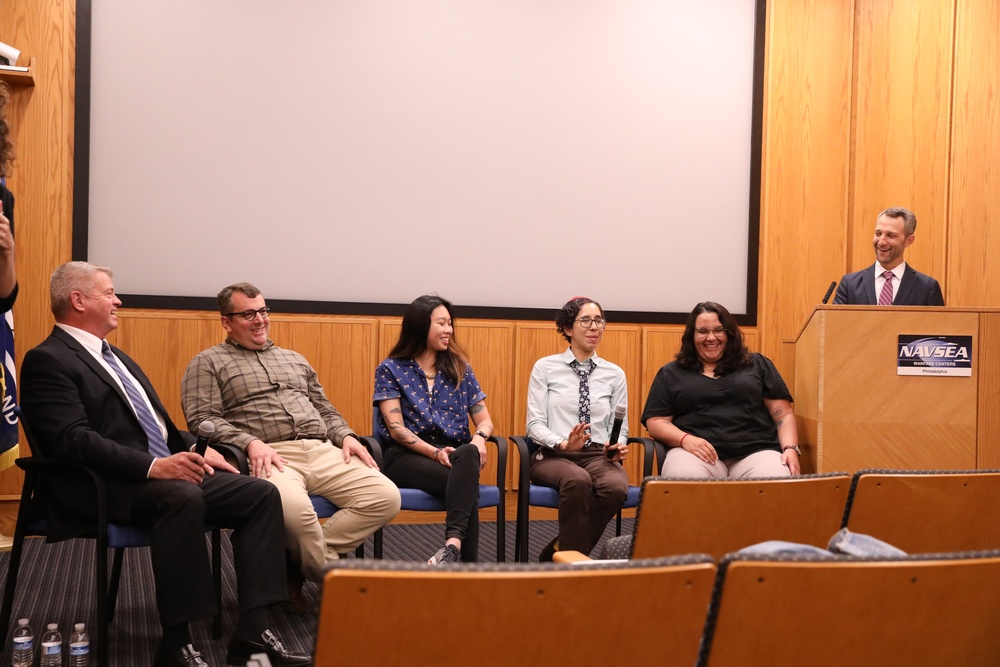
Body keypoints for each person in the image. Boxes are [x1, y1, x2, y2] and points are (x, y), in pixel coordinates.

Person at [18, 262, 310, 667]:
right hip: (103, 483)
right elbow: (72, 441)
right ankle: (176, 642)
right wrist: (154, 467)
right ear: (79, 301)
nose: (118, 300)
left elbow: (159, 427)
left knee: (259, 493)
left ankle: (252, 636)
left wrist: (197, 449)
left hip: (157, 473)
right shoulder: (47, 359)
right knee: (181, 496)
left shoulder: (116, 358)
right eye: (109, 293)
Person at [181, 282, 400, 605]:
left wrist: (347, 436)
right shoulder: (208, 362)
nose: (260, 320)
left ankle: (298, 561)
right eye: (248, 314)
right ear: (227, 322)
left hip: (323, 448)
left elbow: (325, 409)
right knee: (295, 515)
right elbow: (202, 420)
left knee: (386, 497)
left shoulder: (295, 359)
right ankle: (339, 584)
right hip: (271, 455)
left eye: (263, 311)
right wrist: (249, 442)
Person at [373, 295, 494, 564]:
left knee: (468, 457)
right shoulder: (391, 369)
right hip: (406, 454)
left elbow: (485, 421)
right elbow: (396, 429)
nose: (449, 330)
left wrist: (479, 440)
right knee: (467, 484)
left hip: (455, 454)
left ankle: (452, 547)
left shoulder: (460, 368)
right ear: (420, 326)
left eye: (450, 323)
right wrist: (435, 453)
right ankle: (466, 566)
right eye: (442, 323)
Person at [642, 301, 801, 479]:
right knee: (682, 477)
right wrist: (685, 439)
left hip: (756, 453)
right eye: (703, 331)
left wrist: (790, 448)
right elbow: (656, 422)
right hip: (694, 454)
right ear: (691, 336)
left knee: (776, 476)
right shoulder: (671, 373)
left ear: (730, 333)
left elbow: (783, 415)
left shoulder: (757, 364)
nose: (711, 338)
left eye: (718, 330)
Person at [526, 296, 629, 562]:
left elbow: (620, 426)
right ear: (568, 329)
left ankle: (561, 554)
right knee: (578, 481)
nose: (594, 327)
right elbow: (534, 424)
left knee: (616, 486)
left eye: (599, 321)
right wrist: (562, 444)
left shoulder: (614, 374)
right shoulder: (545, 367)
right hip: (552, 455)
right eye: (586, 320)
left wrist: (616, 445)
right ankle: (570, 568)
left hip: (596, 455)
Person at [833, 207, 944, 305]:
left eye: (890, 235)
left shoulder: (927, 288)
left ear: (909, 241)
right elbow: (834, 326)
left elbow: (936, 328)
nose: (881, 242)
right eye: (878, 234)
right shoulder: (849, 284)